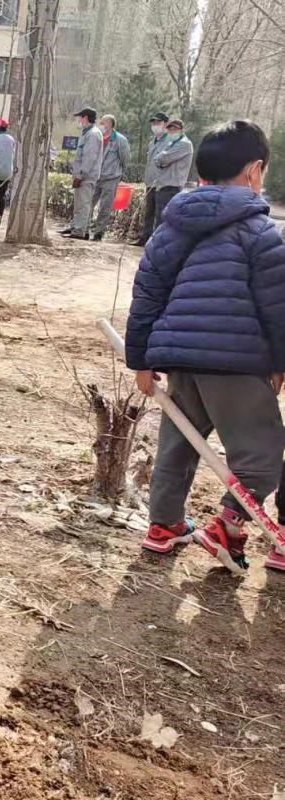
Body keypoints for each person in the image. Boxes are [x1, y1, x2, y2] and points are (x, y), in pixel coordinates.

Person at [127, 120, 285, 572]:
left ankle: (164, 525)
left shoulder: (171, 226)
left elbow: (147, 294)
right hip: (235, 361)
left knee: (179, 442)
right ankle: (229, 524)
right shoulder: (260, 231)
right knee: (259, 452)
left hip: (179, 357)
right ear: (255, 171)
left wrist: (140, 359)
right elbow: (276, 305)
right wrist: (279, 361)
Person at [145, 118, 195, 242]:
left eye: (175, 129)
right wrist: (162, 159)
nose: (172, 131)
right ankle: (154, 241)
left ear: (182, 130)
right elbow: (159, 159)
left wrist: (162, 159)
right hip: (162, 184)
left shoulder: (184, 144)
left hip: (172, 185)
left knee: (163, 218)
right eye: (170, 129)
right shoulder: (171, 143)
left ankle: (160, 243)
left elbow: (163, 159)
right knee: (156, 216)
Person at [87, 113, 130, 241]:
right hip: (95, 176)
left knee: (105, 206)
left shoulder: (120, 139)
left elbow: (125, 158)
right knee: (88, 202)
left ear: (111, 124)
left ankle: (99, 231)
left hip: (111, 177)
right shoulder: (97, 137)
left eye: (104, 122)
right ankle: (83, 228)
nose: (101, 125)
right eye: (101, 122)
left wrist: (119, 173)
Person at [61, 107, 103, 240]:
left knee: (84, 204)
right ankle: (78, 228)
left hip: (86, 176)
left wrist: (80, 175)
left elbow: (89, 157)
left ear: (85, 118)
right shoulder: (87, 133)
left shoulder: (93, 134)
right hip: (83, 175)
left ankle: (79, 231)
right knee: (80, 204)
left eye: (80, 117)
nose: (79, 120)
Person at [135, 111, 170, 246]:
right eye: (153, 123)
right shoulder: (153, 142)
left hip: (161, 182)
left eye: (158, 123)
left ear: (165, 124)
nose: (155, 125)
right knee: (148, 212)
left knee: (160, 213)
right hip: (150, 182)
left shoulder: (169, 141)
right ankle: (145, 237)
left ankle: (156, 241)